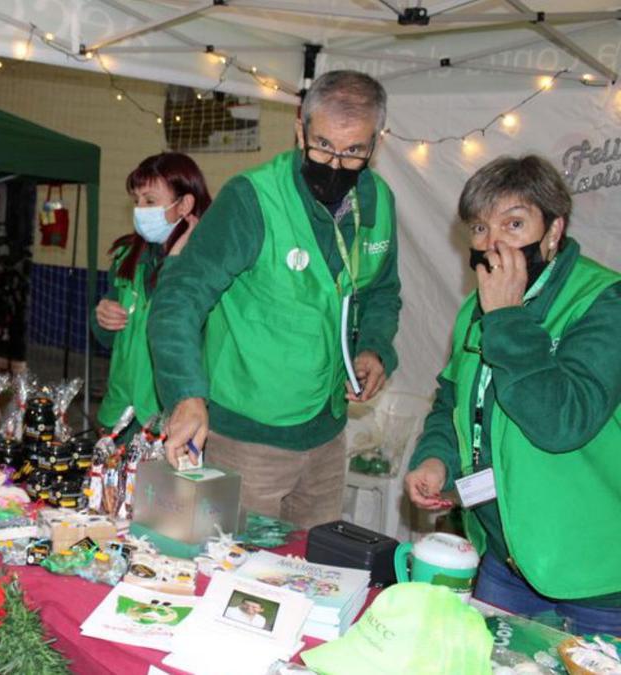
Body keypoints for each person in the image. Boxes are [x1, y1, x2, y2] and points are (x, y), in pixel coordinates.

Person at [149, 70, 401, 528]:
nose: (335, 164)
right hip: (246, 438)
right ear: (300, 129)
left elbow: (383, 291)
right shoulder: (253, 200)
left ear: (376, 144)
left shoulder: (379, 201)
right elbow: (179, 296)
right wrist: (186, 393)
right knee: (232, 577)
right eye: (322, 145)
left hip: (327, 435)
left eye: (354, 152)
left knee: (312, 576)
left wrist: (375, 347)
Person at [405, 155, 621, 636]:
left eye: (514, 224)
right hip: (503, 557)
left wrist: (505, 319)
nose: (493, 244)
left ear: (553, 229)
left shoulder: (604, 303)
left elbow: (562, 422)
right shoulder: (478, 307)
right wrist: (437, 457)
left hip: (593, 577)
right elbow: (454, 397)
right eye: (480, 229)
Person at [93, 152, 212, 429]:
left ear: (185, 204)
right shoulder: (127, 256)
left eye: (150, 201)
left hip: (171, 417)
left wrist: (177, 262)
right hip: (121, 413)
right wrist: (102, 317)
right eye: (136, 201)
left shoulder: (207, 263)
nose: (139, 210)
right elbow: (108, 339)